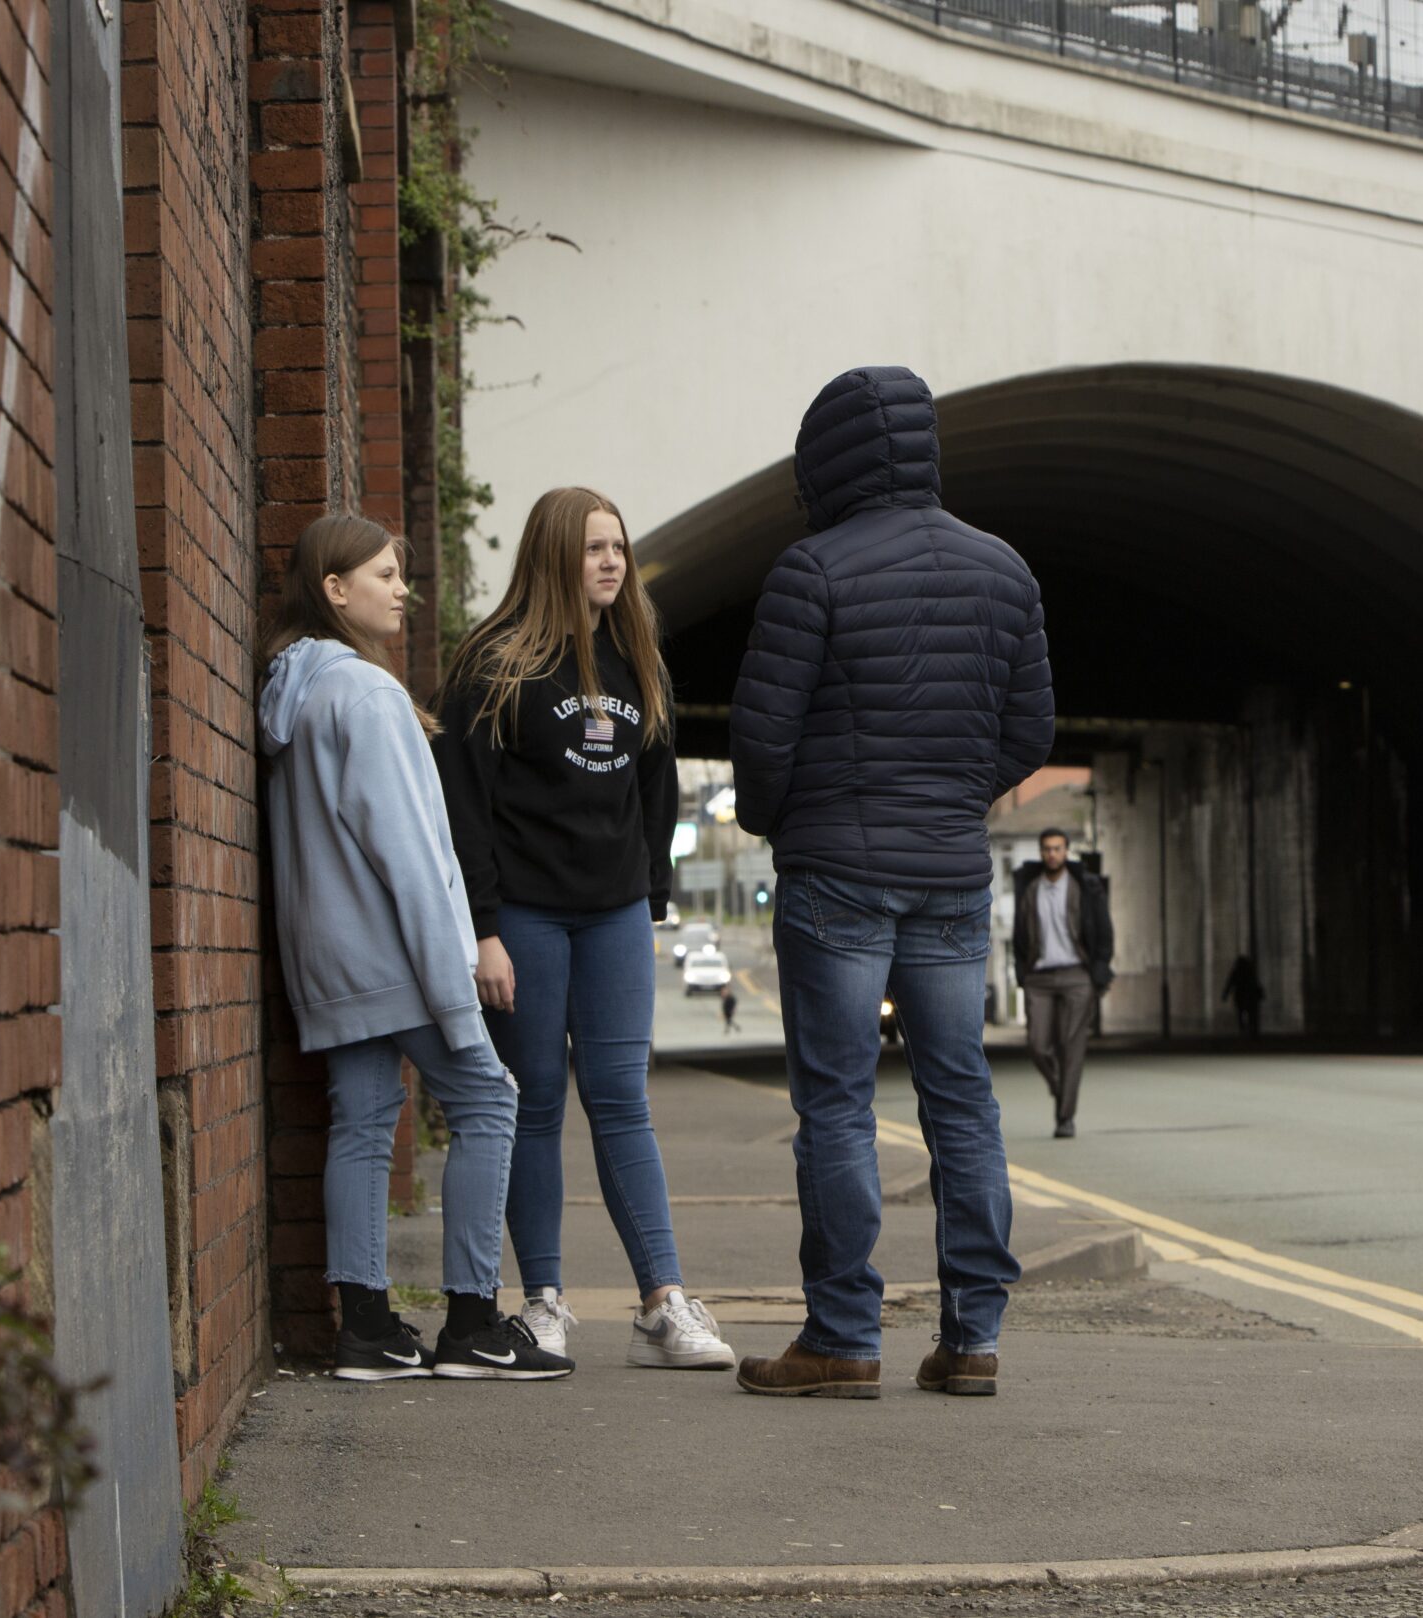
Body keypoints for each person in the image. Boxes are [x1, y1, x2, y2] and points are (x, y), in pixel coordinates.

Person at [728, 366, 1054, 1400]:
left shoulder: (810, 569)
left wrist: (782, 819)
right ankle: (972, 1338)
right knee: (962, 1100)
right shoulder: (1004, 569)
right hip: (950, 876)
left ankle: (841, 1336)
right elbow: (1030, 733)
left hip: (836, 874)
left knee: (836, 1105)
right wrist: (955, 799)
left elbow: (761, 739)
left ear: (824, 461)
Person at [259, 513, 573, 1383]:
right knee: (489, 1100)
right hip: (395, 953)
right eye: (385, 576)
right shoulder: (366, 695)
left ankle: (367, 1331)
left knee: (362, 1118)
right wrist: (454, 981)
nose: (404, 592)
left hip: (328, 958)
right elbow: (412, 857)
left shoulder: (293, 691)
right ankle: (471, 1322)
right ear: (335, 589)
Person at [434, 486, 736, 1371]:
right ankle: (544, 1302)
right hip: (524, 916)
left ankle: (664, 1304)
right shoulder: (494, 663)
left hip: (613, 916)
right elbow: (464, 807)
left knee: (621, 1101)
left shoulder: (636, 659)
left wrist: (650, 893)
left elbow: (655, 787)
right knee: (533, 1103)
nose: (611, 562)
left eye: (618, 547)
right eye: (594, 547)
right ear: (554, 556)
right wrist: (483, 929)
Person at [1012, 830, 1115, 1140]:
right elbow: (1019, 933)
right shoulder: (1030, 889)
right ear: (1041, 852)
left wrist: (1099, 970)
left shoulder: (1086, 886)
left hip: (1077, 975)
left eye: (1057, 848)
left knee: (1072, 1048)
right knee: (1037, 1044)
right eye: (1047, 849)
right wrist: (1022, 971)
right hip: (1039, 977)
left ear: (1067, 851)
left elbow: (1104, 931)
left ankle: (1065, 1118)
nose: (1052, 854)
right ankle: (1061, 1088)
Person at [1222, 953, 1264, 1039]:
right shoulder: (1249, 971)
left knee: (1241, 1014)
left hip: (1241, 996)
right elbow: (1255, 983)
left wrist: (1225, 994)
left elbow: (1230, 984)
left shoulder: (1237, 972)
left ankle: (1243, 1029)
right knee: (1250, 1013)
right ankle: (1250, 1029)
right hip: (1248, 996)